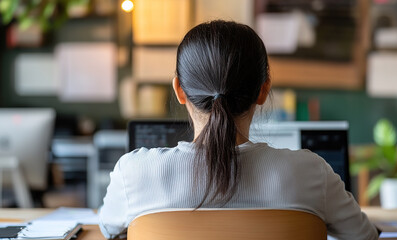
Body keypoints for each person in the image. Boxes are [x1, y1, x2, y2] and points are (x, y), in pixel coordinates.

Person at [98, 20, 378, 239]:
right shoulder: (311, 172)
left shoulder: (134, 173)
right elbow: (363, 235)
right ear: (263, 89)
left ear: (179, 91)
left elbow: (108, 231)